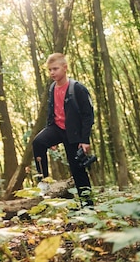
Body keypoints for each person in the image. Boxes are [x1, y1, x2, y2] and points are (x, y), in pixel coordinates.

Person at [32, 52, 95, 207]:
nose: (52, 73)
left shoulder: (77, 88)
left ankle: (88, 205)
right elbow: (51, 111)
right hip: (57, 128)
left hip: (73, 134)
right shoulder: (53, 87)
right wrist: (49, 135)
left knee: (77, 170)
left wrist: (84, 140)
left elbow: (88, 114)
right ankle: (43, 180)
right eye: (50, 70)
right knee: (38, 142)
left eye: (55, 69)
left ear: (65, 68)